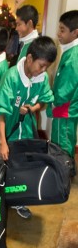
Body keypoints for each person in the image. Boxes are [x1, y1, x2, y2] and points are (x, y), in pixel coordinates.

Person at [0, 36, 57, 218]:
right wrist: (3, 142)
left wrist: (31, 108)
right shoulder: (11, 77)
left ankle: (19, 200)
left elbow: (44, 101)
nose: (43, 70)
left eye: (46, 67)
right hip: (8, 129)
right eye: (41, 65)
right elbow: (0, 113)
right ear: (29, 59)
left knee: (22, 165)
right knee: (4, 164)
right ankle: (1, 199)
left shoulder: (40, 78)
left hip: (26, 129)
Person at [11, 4, 39, 218]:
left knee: (20, 155)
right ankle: (13, 194)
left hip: (23, 112)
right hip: (16, 111)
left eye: (19, 23)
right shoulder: (25, 43)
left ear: (29, 24)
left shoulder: (33, 47)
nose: (16, 27)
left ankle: (19, 198)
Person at [47, 10, 78, 176]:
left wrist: (53, 100)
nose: (58, 34)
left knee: (62, 141)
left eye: (62, 30)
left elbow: (66, 87)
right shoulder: (70, 51)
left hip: (64, 108)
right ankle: (66, 168)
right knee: (66, 139)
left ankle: (63, 172)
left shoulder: (73, 56)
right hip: (68, 108)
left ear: (75, 32)